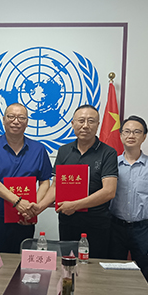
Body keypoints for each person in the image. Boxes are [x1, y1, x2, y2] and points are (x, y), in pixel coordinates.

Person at [35, 105, 118, 258]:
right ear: (73, 124)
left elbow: (109, 191)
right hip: (68, 222)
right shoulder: (64, 151)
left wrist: (75, 205)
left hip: (97, 223)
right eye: (81, 121)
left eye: (91, 121)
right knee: (68, 264)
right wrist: (39, 207)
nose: (85, 125)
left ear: (98, 125)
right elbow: (56, 186)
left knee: (93, 267)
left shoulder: (108, 153)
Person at [0, 103, 52, 253]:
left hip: (25, 218)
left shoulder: (38, 149)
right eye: (11, 117)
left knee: (22, 262)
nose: (16, 121)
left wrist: (33, 207)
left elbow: (45, 181)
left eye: (21, 118)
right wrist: (17, 201)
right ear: (4, 120)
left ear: (27, 122)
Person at [108, 115, 148, 282]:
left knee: (143, 278)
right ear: (121, 135)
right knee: (112, 276)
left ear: (144, 136)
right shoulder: (112, 164)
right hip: (115, 228)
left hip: (143, 230)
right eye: (127, 131)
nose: (131, 135)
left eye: (136, 132)